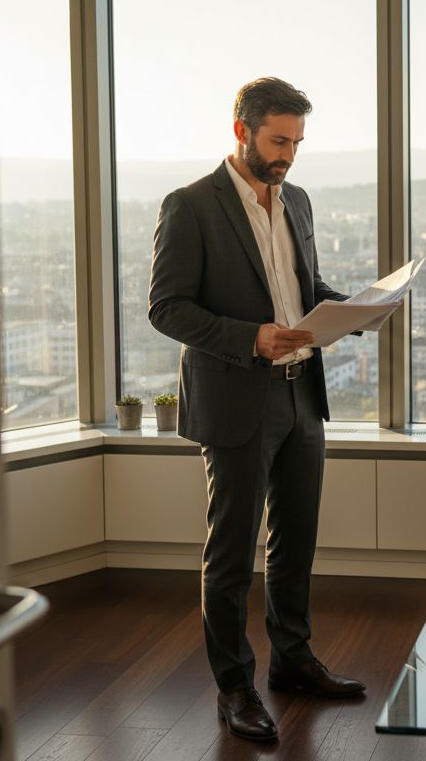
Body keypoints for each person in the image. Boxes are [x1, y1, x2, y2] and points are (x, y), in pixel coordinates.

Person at [147, 76, 364, 743]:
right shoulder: (189, 205)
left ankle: (293, 661)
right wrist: (251, 337)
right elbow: (167, 307)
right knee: (233, 552)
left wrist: (355, 311)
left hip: (303, 393)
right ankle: (234, 685)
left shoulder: (296, 200)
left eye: (297, 142)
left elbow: (305, 289)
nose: (289, 155)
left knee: (295, 541)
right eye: (278, 140)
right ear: (241, 130)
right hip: (239, 394)